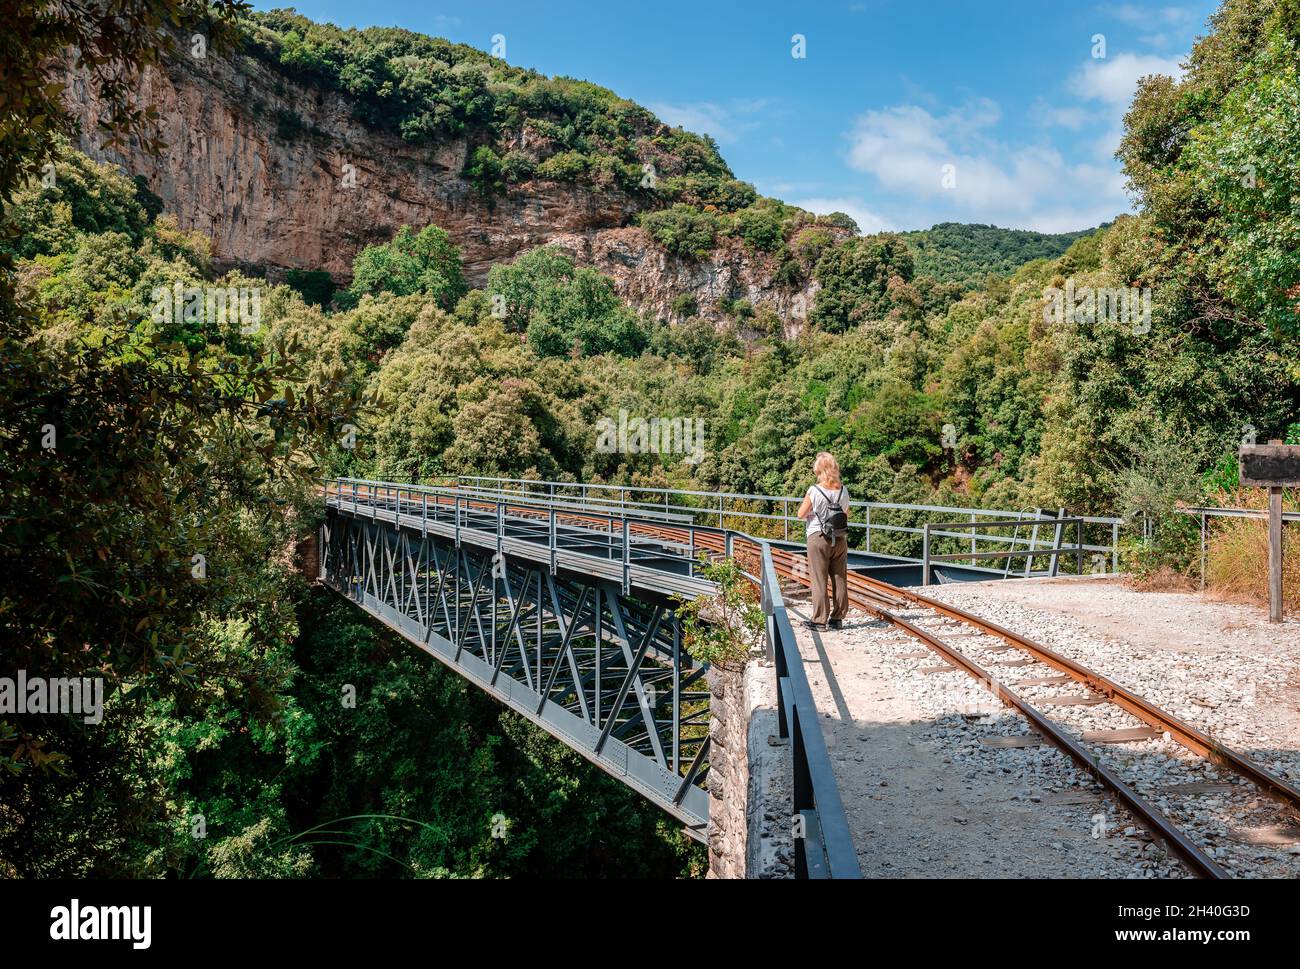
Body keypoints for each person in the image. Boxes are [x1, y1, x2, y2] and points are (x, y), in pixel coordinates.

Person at [796, 452, 849, 631]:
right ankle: (837, 619)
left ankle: (819, 620)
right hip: (840, 538)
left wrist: (814, 512)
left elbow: (801, 514)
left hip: (818, 538)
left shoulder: (814, 490)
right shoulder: (843, 490)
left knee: (819, 580)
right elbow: (845, 514)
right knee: (839, 578)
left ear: (819, 470)